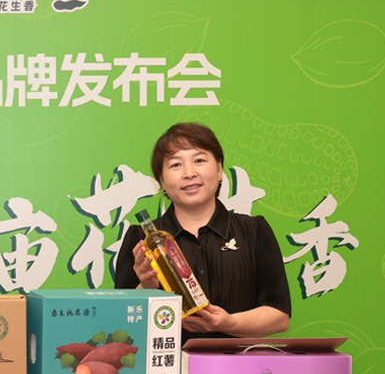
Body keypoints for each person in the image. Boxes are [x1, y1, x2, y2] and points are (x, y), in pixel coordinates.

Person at [115, 122, 291, 342]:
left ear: (219, 169)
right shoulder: (141, 240)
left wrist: (228, 323)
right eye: (176, 164)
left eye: (199, 160)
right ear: (161, 180)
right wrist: (146, 287)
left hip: (237, 363)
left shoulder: (254, 231)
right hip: (166, 362)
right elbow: (120, 322)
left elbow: (279, 316)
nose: (189, 173)